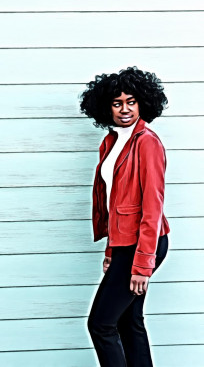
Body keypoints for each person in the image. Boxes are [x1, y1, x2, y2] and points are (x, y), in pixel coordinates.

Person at [78, 66, 170, 367]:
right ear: (107, 107)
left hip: (145, 242)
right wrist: (110, 251)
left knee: (101, 324)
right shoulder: (112, 142)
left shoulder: (147, 142)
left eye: (131, 101)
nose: (125, 109)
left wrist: (142, 264)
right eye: (117, 103)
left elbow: (152, 206)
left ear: (143, 102)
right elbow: (114, 202)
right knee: (130, 322)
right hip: (125, 243)